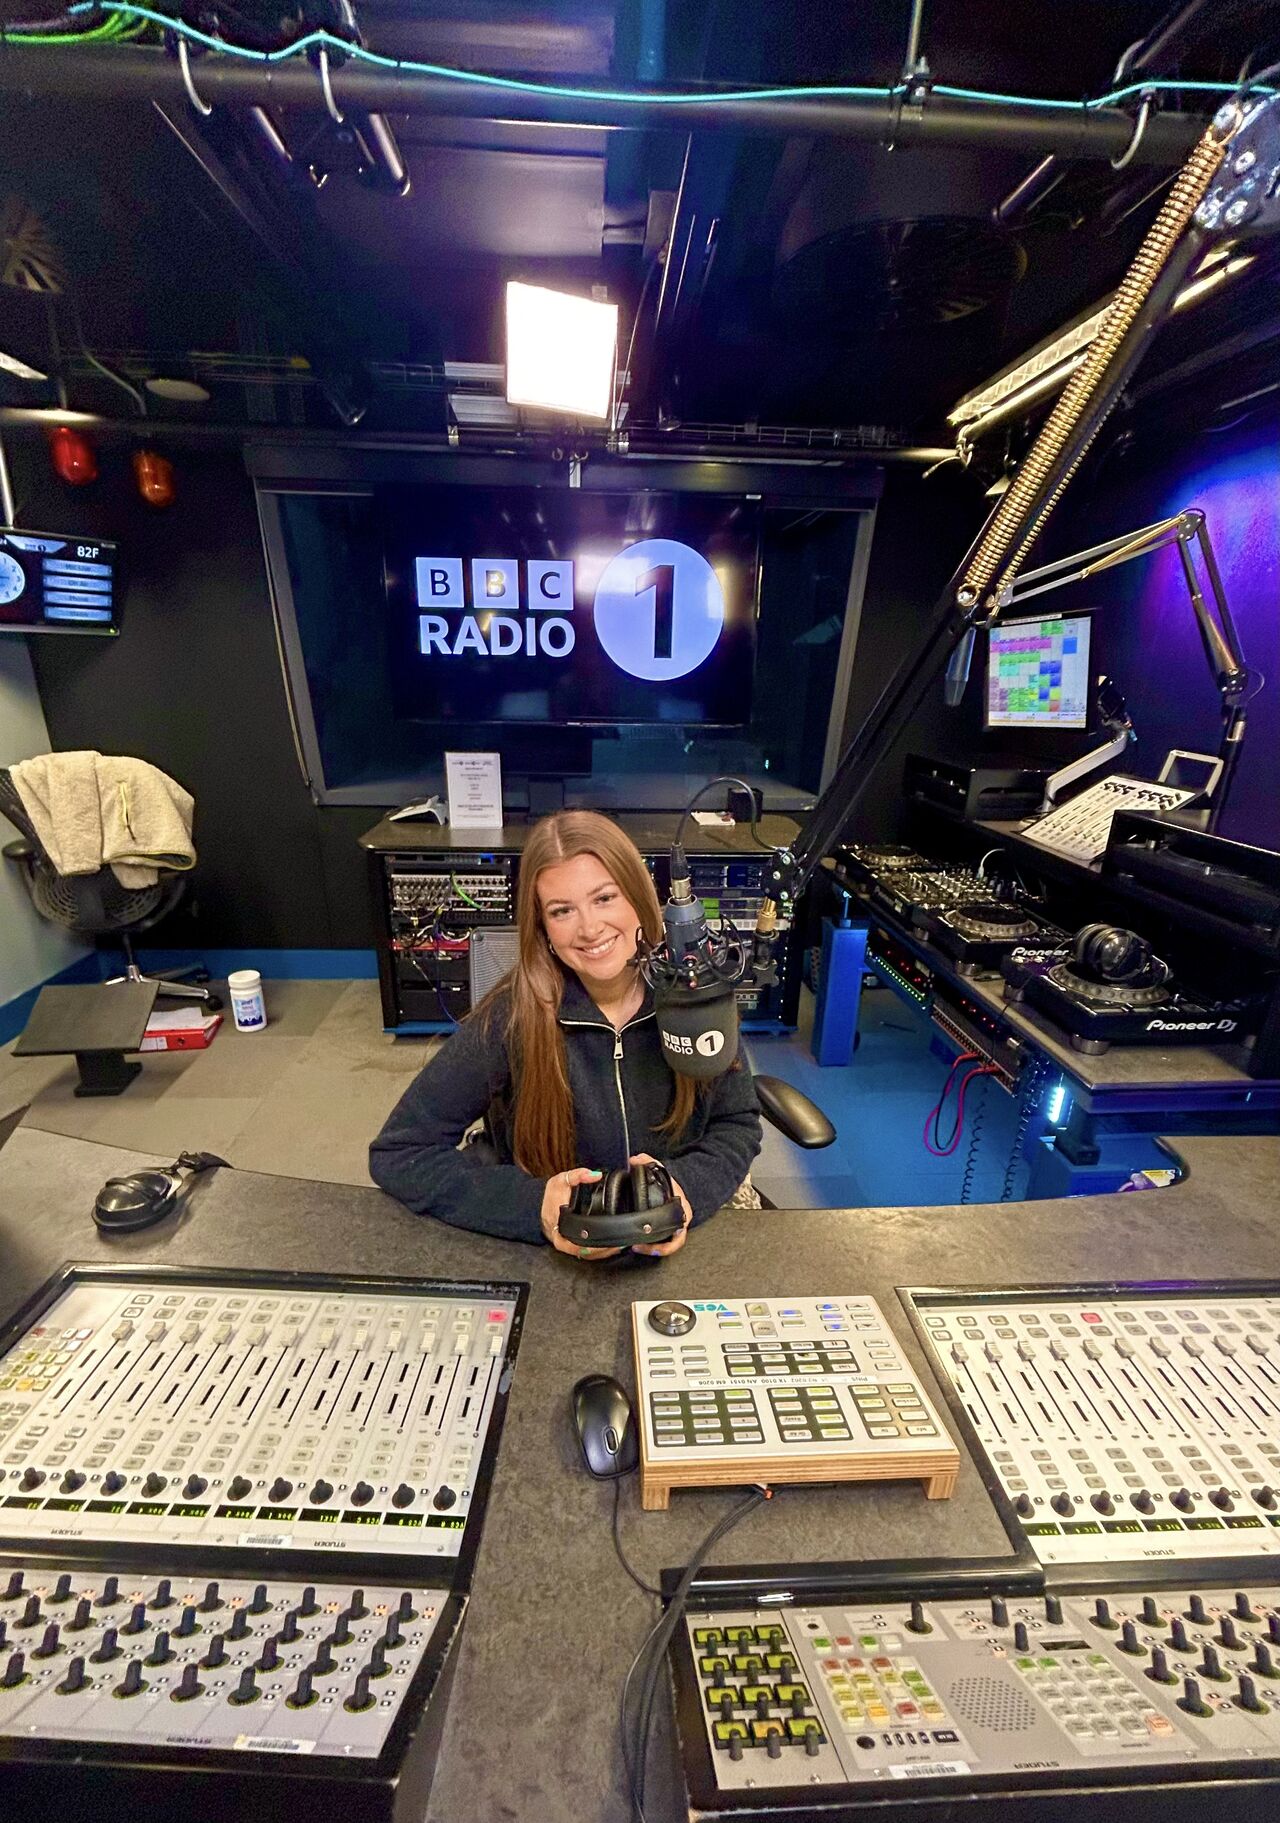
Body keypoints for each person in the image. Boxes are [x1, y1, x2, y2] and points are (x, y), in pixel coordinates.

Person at [369, 810, 762, 1258]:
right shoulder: (510, 1017)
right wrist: (531, 1206)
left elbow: (737, 1123)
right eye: (562, 911)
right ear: (543, 928)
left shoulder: (699, 995)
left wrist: (688, 1190)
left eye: (604, 898)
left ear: (639, 896)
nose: (590, 928)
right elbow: (400, 1152)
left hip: (689, 1235)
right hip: (550, 1255)